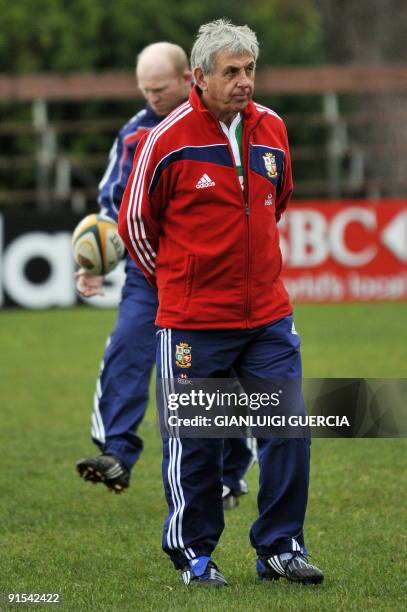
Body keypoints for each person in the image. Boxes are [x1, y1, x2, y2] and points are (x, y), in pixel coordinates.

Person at [118, 20, 324, 587]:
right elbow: (137, 222)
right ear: (201, 76)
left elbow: (275, 202)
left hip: (268, 319)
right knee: (198, 444)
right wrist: (180, 287)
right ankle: (195, 555)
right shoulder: (168, 137)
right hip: (192, 326)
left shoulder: (274, 128)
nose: (243, 82)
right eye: (231, 72)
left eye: (250, 69)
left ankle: (281, 547)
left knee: (288, 430)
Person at [75, 41, 256, 508]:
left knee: (218, 376)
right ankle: (116, 451)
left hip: (206, 278)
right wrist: (92, 261)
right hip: (146, 273)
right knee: (128, 349)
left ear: (186, 78)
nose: (151, 97)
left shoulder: (225, 128)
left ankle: (229, 475)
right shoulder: (133, 134)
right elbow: (111, 209)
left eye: (158, 88)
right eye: (144, 89)